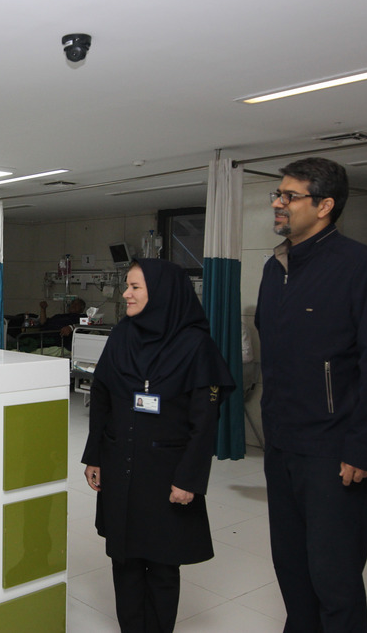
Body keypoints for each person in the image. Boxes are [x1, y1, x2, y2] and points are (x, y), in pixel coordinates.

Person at [256, 157, 367, 632]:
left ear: (324, 206)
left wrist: (364, 447)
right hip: (282, 445)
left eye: (290, 196)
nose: (279, 203)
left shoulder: (361, 268)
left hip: (335, 450)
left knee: (334, 576)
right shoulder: (275, 268)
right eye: (278, 194)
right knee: (291, 567)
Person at [82, 259, 234, 632]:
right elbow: (101, 396)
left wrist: (189, 479)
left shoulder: (195, 346)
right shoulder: (122, 335)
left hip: (168, 472)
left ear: (162, 293)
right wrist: (94, 456)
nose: (126, 294)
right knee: (124, 559)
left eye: (135, 287)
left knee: (163, 562)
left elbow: (204, 423)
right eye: (127, 286)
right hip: (121, 463)